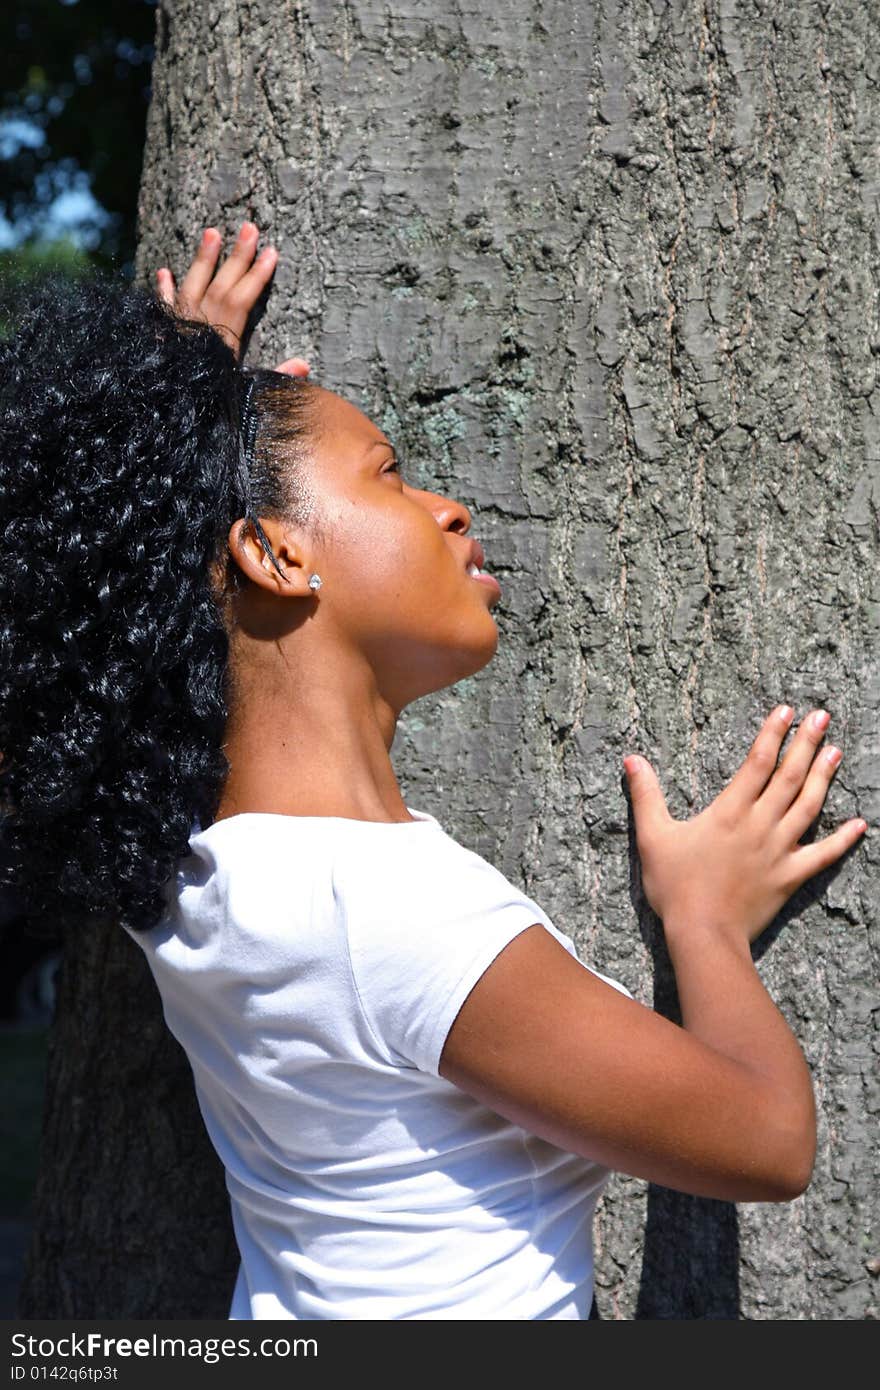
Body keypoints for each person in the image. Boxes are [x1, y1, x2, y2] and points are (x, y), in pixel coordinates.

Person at [0, 223, 867, 1321]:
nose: (448, 507)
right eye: (392, 475)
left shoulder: (182, 869)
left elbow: (64, 662)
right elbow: (765, 1140)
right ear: (272, 553)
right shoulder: (392, 915)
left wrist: (169, 421)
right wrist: (701, 916)